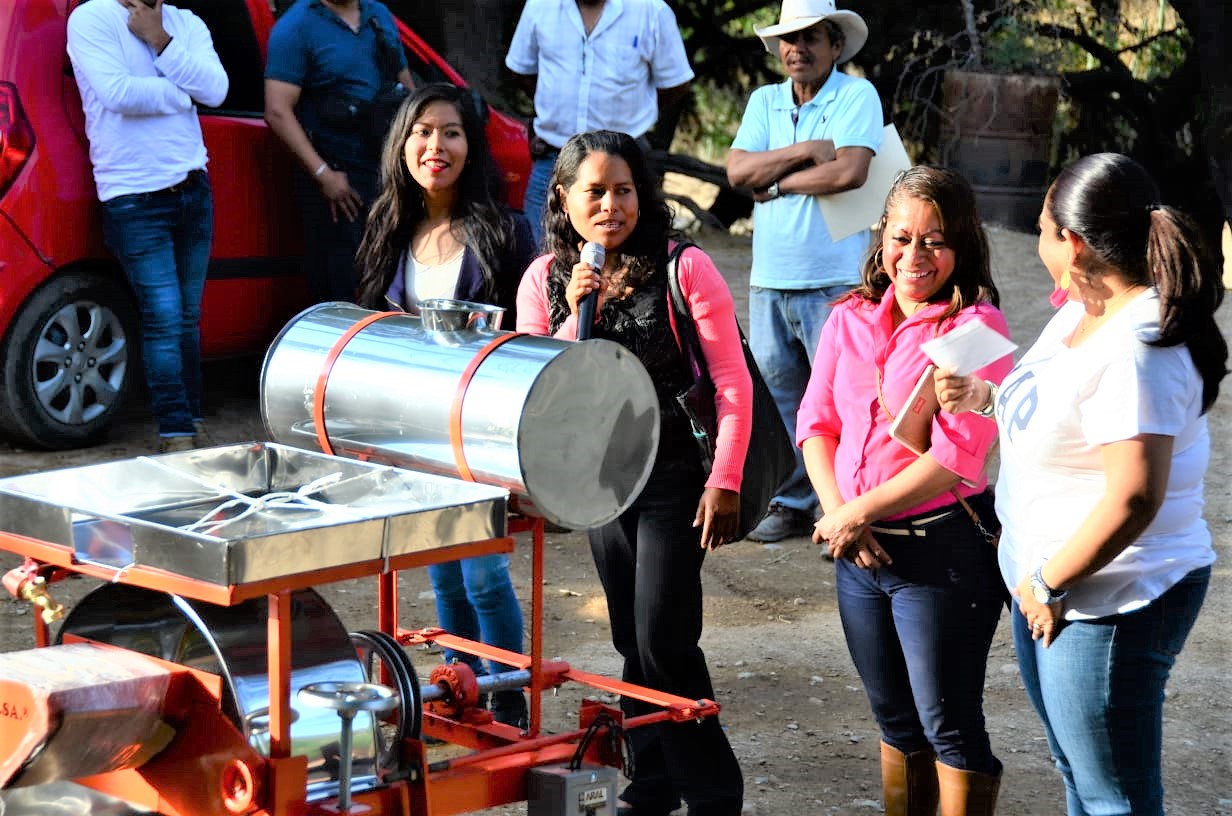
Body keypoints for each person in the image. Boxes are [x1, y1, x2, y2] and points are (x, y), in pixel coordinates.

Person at [936, 153, 1227, 816]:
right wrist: (987, 396)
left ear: (1071, 242)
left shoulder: (1137, 346)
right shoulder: (1083, 308)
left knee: (1112, 797)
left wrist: (1047, 582)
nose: (1036, 242)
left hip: (1106, 595)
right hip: (1056, 584)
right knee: (1080, 772)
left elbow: (1133, 497)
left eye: (1040, 228)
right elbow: (1066, 408)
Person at [516, 130, 747, 816]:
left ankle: (713, 795)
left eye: (624, 190)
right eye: (594, 191)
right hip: (599, 480)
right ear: (563, 198)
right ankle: (651, 784)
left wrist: (724, 481)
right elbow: (530, 382)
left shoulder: (684, 266)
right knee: (631, 638)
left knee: (664, 636)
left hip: (676, 473)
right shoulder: (543, 279)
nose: (611, 205)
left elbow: (732, 381)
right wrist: (570, 318)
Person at [797, 166, 1013, 816]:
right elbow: (816, 423)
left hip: (938, 558)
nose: (914, 256)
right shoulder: (850, 317)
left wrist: (852, 513)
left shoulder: (977, 328)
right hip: (858, 556)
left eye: (934, 240)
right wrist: (844, 516)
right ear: (880, 238)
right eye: (901, 237)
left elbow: (956, 458)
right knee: (894, 720)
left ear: (962, 245)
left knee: (948, 725)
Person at [354, 83, 535, 728]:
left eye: (451, 132)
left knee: (485, 574)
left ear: (471, 145)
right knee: (443, 577)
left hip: (479, 429)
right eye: (422, 131)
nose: (436, 145)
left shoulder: (505, 230)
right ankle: (460, 697)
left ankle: (505, 694)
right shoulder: (386, 226)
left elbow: (531, 328)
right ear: (403, 143)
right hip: (414, 430)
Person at [726, 0, 884, 542]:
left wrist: (775, 184)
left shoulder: (857, 94)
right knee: (780, 397)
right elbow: (736, 170)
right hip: (770, 276)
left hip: (835, 274)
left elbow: (851, 172)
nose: (798, 48)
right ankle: (790, 502)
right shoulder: (764, 100)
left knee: (842, 396)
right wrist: (809, 151)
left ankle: (841, 507)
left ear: (835, 45)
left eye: (812, 37)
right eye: (790, 39)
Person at [66, 0, 228, 453]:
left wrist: (160, 40)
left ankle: (191, 420)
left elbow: (216, 90)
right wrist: (182, 93)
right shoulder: (92, 17)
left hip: (193, 186)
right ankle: (175, 431)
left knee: (188, 318)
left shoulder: (185, 22)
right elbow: (118, 94)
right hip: (134, 195)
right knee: (163, 318)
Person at [504, 0, 694, 245]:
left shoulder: (651, 10)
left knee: (626, 262)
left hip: (623, 162)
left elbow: (675, 83)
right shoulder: (540, 6)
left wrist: (638, 112)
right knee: (542, 260)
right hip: (552, 160)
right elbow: (521, 70)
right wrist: (552, 110)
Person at [265, 0, 414, 304]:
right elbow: (277, 111)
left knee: (393, 283)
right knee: (340, 287)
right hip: (337, 181)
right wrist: (323, 174)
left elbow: (406, 85)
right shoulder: (297, 27)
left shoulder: (378, 13)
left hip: (387, 172)